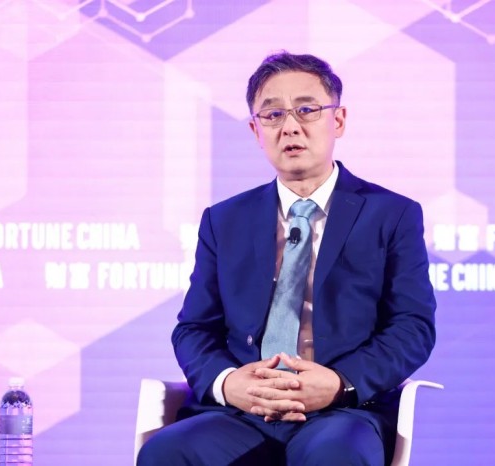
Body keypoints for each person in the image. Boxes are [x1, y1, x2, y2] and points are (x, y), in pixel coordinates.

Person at [137, 51, 437, 466]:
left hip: (341, 413)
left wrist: (340, 383)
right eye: (273, 115)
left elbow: (412, 327)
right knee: (167, 452)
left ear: (338, 120)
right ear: (255, 130)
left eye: (307, 110)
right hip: (239, 414)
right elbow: (194, 328)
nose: (290, 126)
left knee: (336, 456)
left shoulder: (391, 214)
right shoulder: (224, 220)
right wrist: (228, 383)